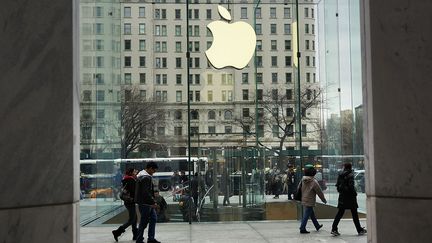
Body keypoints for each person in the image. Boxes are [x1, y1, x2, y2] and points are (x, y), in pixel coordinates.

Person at [331, 163, 367, 236]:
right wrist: (355, 193)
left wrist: (342, 191)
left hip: (342, 197)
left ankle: (334, 229)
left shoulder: (340, 175)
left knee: (340, 213)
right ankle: (359, 230)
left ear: (344, 167)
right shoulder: (350, 175)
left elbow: (337, 186)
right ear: (350, 167)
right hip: (350, 197)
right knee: (354, 214)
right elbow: (351, 186)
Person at [135, 162, 161, 243]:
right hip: (146, 203)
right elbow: (146, 193)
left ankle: (151, 238)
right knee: (143, 222)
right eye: (154, 171)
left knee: (153, 218)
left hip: (145, 203)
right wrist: (153, 202)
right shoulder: (146, 178)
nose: (154, 172)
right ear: (150, 168)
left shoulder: (141, 176)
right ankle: (140, 239)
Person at [299, 165, 327, 234]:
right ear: (313, 174)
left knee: (311, 213)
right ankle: (302, 228)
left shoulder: (303, 180)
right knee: (307, 214)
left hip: (304, 198)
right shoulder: (314, 182)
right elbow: (319, 192)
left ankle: (317, 225)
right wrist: (323, 200)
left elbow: (298, 188)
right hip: (310, 200)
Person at [112, 168, 138, 241]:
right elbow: (133, 191)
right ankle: (117, 232)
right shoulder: (131, 180)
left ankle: (135, 235)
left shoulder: (126, 179)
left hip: (128, 201)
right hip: (130, 201)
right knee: (132, 219)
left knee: (135, 218)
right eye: (134, 171)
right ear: (131, 173)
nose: (136, 172)